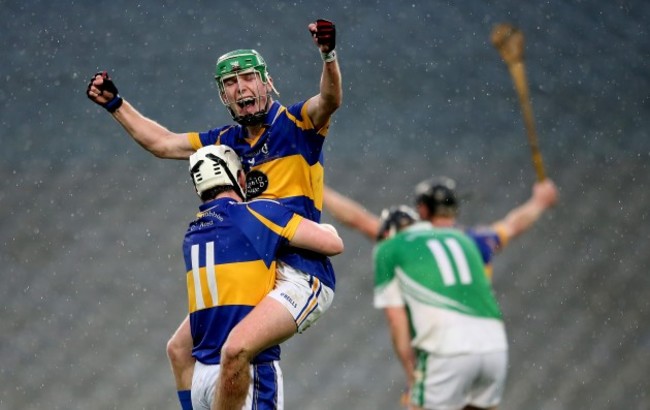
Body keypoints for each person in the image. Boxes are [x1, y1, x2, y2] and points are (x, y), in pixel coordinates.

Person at [87, 19, 342, 410]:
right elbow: (162, 143)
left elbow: (329, 100)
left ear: (267, 82)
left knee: (237, 349)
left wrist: (328, 56)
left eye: (248, 78)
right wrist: (115, 105)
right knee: (178, 350)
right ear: (223, 95)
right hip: (254, 276)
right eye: (230, 83)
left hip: (299, 272)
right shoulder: (225, 141)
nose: (241, 88)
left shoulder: (297, 123)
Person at [323, 177, 558, 409]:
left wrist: (318, 189)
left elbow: (360, 220)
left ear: (422, 210)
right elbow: (513, 224)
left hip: (443, 350)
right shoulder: (473, 240)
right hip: (493, 345)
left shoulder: (402, 240)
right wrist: (539, 201)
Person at [184, 145, 343, 409]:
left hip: (201, 379)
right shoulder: (258, 213)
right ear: (240, 177)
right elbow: (333, 245)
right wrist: (326, 228)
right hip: (243, 374)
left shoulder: (193, 232)